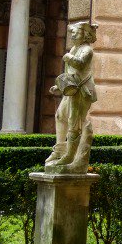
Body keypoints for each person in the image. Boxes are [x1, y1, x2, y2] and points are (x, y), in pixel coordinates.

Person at [45, 21, 97, 172]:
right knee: (60, 116)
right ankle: (60, 150)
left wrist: (68, 57)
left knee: (74, 122)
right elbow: (70, 74)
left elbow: (80, 64)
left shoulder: (87, 50)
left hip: (82, 91)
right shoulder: (75, 48)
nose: (73, 35)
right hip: (72, 89)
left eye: (76, 32)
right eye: (72, 32)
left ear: (85, 35)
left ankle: (70, 155)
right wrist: (60, 87)